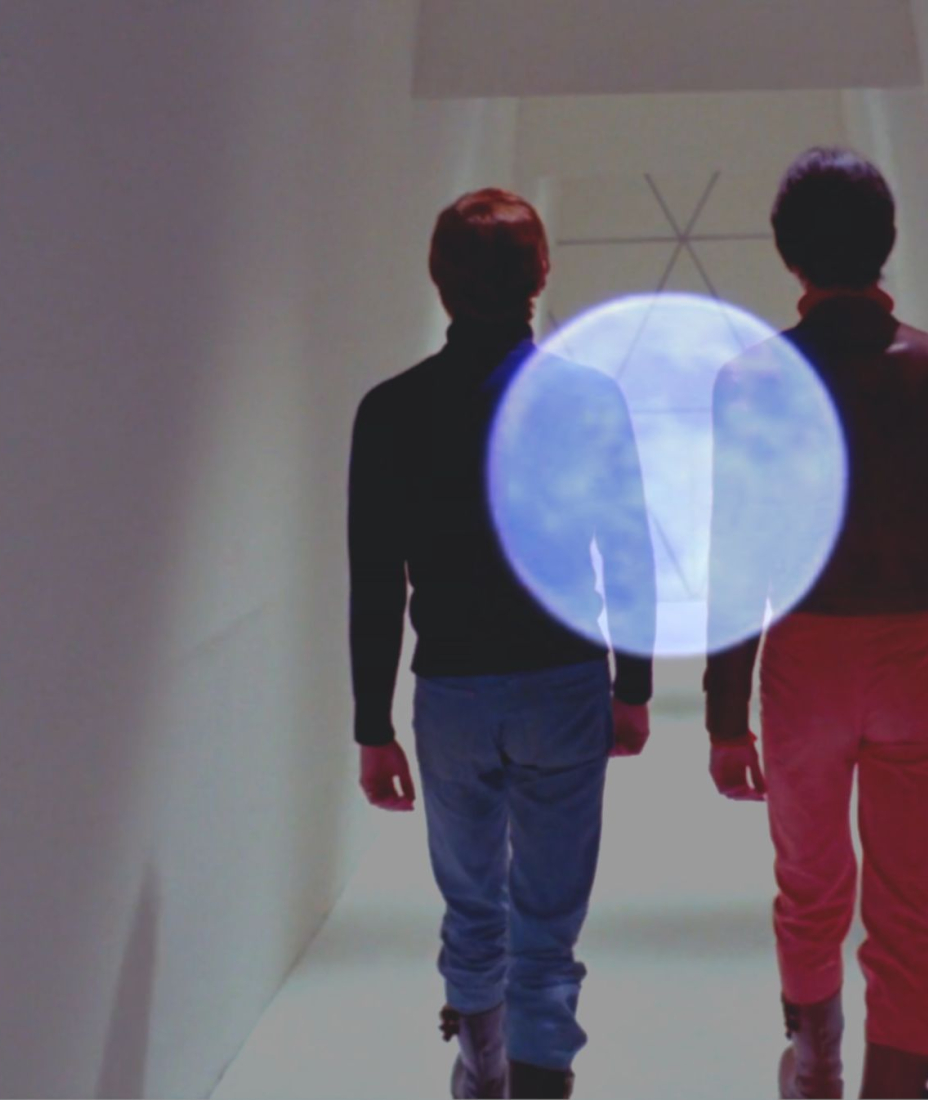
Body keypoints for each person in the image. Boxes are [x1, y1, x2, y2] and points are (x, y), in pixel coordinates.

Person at [704, 148, 928, 1100]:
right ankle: (897, 1084)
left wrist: (725, 716)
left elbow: (736, 559)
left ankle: (816, 1065)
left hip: (808, 656)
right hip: (922, 654)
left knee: (810, 884)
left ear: (789, 252)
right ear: (887, 242)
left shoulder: (752, 381)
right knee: (908, 902)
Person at [348, 188, 656, 1100]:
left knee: (473, 905)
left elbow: (376, 580)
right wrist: (633, 686)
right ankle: (539, 1082)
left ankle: (481, 1070)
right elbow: (627, 551)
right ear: (540, 275)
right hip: (562, 681)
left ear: (438, 279)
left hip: (451, 695)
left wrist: (372, 727)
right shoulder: (589, 399)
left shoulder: (390, 410)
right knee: (547, 925)